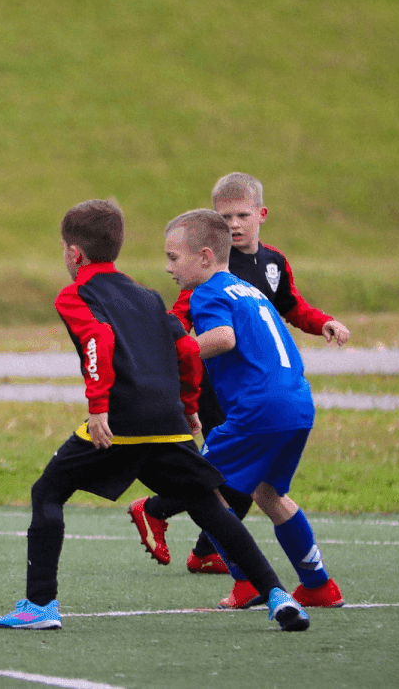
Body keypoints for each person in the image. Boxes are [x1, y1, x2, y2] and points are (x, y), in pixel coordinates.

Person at [0, 199, 308, 632]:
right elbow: (184, 349)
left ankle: (39, 605)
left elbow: (98, 340)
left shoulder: (75, 294)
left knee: (47, 493)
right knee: (210, 507)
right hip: (168, 425)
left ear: (73, 253)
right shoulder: (146, 295)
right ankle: (277, 594)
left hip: (119, 423)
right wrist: (189, 407)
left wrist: (99, 406)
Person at [129, 210, 344, 609]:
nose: (168, 267)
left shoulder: (208, 292)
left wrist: (173, 353)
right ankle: (318, 585)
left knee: (201, 488)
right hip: (297, 404)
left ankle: (246, 582)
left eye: (174, 258)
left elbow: (224, 338)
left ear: (206, 257)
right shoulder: (248, 290)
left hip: (258, 410)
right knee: (269, 494)